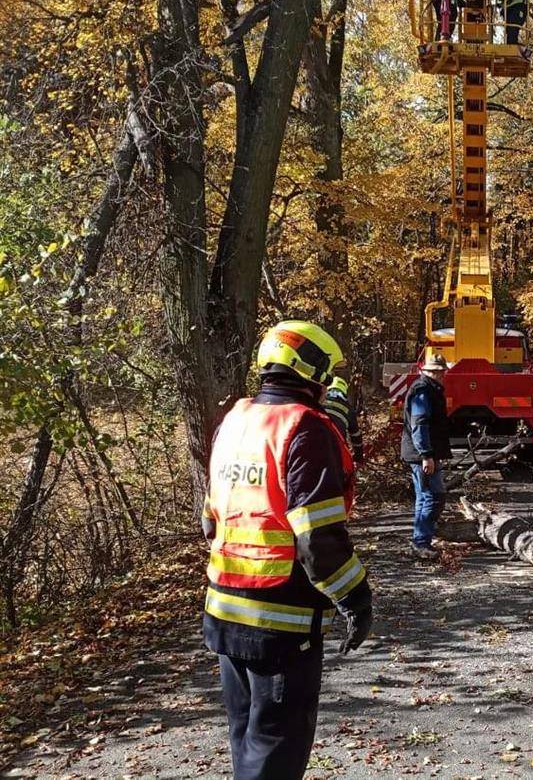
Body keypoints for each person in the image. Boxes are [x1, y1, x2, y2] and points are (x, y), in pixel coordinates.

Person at [202, 320, 373, 778]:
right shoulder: (305, 429)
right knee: (275, 751)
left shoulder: (234, 422)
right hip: (280, 622)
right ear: (312, 371)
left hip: (225, 613)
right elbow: (319, 539)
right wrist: (356, 598)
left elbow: (209, 519)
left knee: (247, 741)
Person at [400, 352, 451, 560]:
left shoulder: (429, 390)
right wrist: (426, 455)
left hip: (422, 452)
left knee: (426, 497)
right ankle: (421, 543)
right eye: (435, 372)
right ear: (426, 371)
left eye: (441, 372)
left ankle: (421, 540)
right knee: (433, 497)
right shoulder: (423, 391)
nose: (439, 375)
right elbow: (419, 424)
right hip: (421, 453)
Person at [324, 375, 364, 466]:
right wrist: (358, 458)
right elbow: (356, 436)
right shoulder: (348, 409)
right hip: (337, 448)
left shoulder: (319, 401)